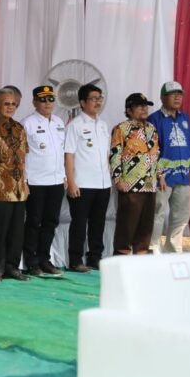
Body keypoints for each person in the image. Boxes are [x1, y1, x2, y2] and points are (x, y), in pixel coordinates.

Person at [0, 87, 30, 282]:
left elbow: (23, 158)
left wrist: (25, 182)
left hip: (18, 188)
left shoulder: (19, 128)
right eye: (6, 104)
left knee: (17, 230)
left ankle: (12, 267)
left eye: (13, 104)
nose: (10, 107)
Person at [64, 84, 112, 272]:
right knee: (79, 224)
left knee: (98, 224)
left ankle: (95, 258)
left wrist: (108, 179)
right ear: (83, 102)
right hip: (82, 183)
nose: (97, 102)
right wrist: (71, 182)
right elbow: (69, 154)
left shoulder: (103, 125)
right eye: (93, 98)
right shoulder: (75, 125)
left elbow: (106, 154)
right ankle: (75, 260)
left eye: (99, 98)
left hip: (103, 183)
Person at [21, 86, 66, 277]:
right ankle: (31, 261)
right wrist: (24, 181)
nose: (48, 103)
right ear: (34, 102)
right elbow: (21, 155)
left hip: (56, 180)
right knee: (34, 222)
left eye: (50, 99)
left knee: (51, 222)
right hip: (36, 181)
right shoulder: (27, 123)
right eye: (43, 100)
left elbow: (61, 151)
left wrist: (63, 176)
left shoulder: (58, 122)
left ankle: (44, 259)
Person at [148, 81, 190, 254]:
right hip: (162, 178)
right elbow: (152, 150)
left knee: (181, 215)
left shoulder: (185, 118)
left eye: (180, 94)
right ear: (162, 97)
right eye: (173, 94)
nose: (177, 97)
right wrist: (159, 174)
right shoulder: (154, 119)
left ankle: (174, 250)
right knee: (158, 213)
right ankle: (153, 249)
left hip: (183, 175)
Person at [110, 93, 159, 255]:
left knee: (145, 228)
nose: (144, 109)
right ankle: (121, 258)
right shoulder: (121, 129)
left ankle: (141, 257)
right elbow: (115, 155)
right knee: (126, 226)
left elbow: (155, 154)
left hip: (150, 184)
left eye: (145, 106)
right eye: (139, 106)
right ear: (129, 110)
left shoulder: (151, 129)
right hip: (130, 185)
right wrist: (118, 179)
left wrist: (160, 175)